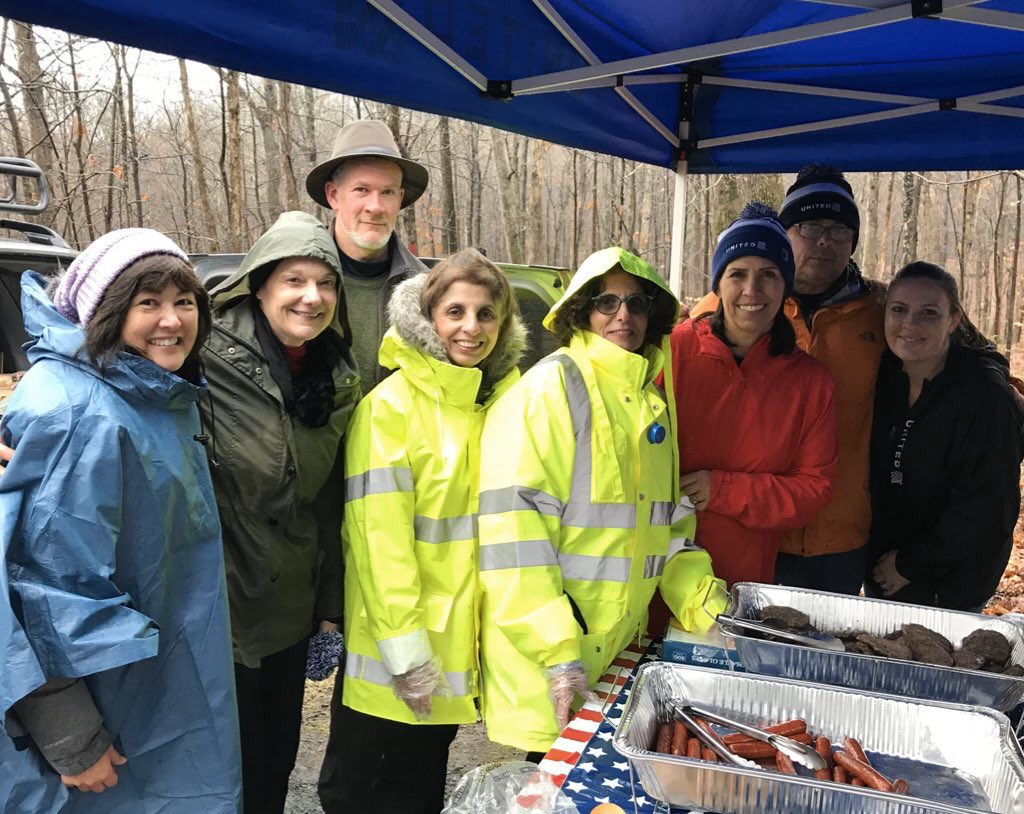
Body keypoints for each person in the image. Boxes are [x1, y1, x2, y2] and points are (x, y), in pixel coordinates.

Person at [0, 229, 240, 812]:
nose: (172, 320)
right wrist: (70, 737)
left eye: (185, 302)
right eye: (147, 302)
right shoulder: (84, 415)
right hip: (108, 723)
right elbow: (43, 588)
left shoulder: (149, 395)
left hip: (154, 694)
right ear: (106, 312)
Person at [477, 247, 727, 757]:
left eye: (636, 303)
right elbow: (513, 534)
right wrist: (556, 652)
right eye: (606, 302)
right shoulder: (551, 387)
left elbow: (670, 525)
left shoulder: (650, 401)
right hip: (552, 659)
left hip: (615, 651)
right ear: (581, 311)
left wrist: (708, 608)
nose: (623, 316)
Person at [319, 249, 525, 814]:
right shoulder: (391, 408)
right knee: (359, 791)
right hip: (396, 654)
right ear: (429, 318)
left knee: (417, 788)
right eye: (455, 311)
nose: (470, 327)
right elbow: (377, 542)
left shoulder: (502, 404)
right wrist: (407, 653)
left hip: (456, 648)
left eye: (486, 314)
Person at [203, 211, 359, 814]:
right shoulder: (203, 353)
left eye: (325, 284)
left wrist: (329, 611)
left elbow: (327, 508)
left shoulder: (336, 377)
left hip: (290, 613)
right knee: (220, 771)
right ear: (259, 283)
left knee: (273, 763)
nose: (311, 297)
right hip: (220, 612)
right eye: (294, 280)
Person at [693, 165, 885, 595]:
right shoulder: (730, 305)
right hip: (744, 526)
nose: (823, 240)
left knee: (821, 656)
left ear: (853, 240)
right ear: (786, 233)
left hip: (837, 534)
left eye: (839, 229)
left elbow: (964, 354)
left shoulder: (883, 310)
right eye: (809, 225)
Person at [663, 202, 837, 590]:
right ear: (718, 284)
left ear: (785, 285)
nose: (752, 290)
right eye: (737, 274)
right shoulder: (670, 353)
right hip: (650, 571)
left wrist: (723, 489)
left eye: (769, 275)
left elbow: (814, 487)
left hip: (737, 578)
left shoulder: (810, 382)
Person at [865, 262, 1023, 611]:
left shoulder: (984, 395)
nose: (910, 324)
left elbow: (988, 506)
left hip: (951, 581)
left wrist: (909, 565)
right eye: (899, 310)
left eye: (929, 313)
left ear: (953, 320)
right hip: (883, 571)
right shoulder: (884, 379)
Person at [305, 118, 429, 391]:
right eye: (362, 190)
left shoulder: (427, 289)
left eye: (387, 192)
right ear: (333, 195)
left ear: (400, 198)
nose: (375, 207)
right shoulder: (295, 285)